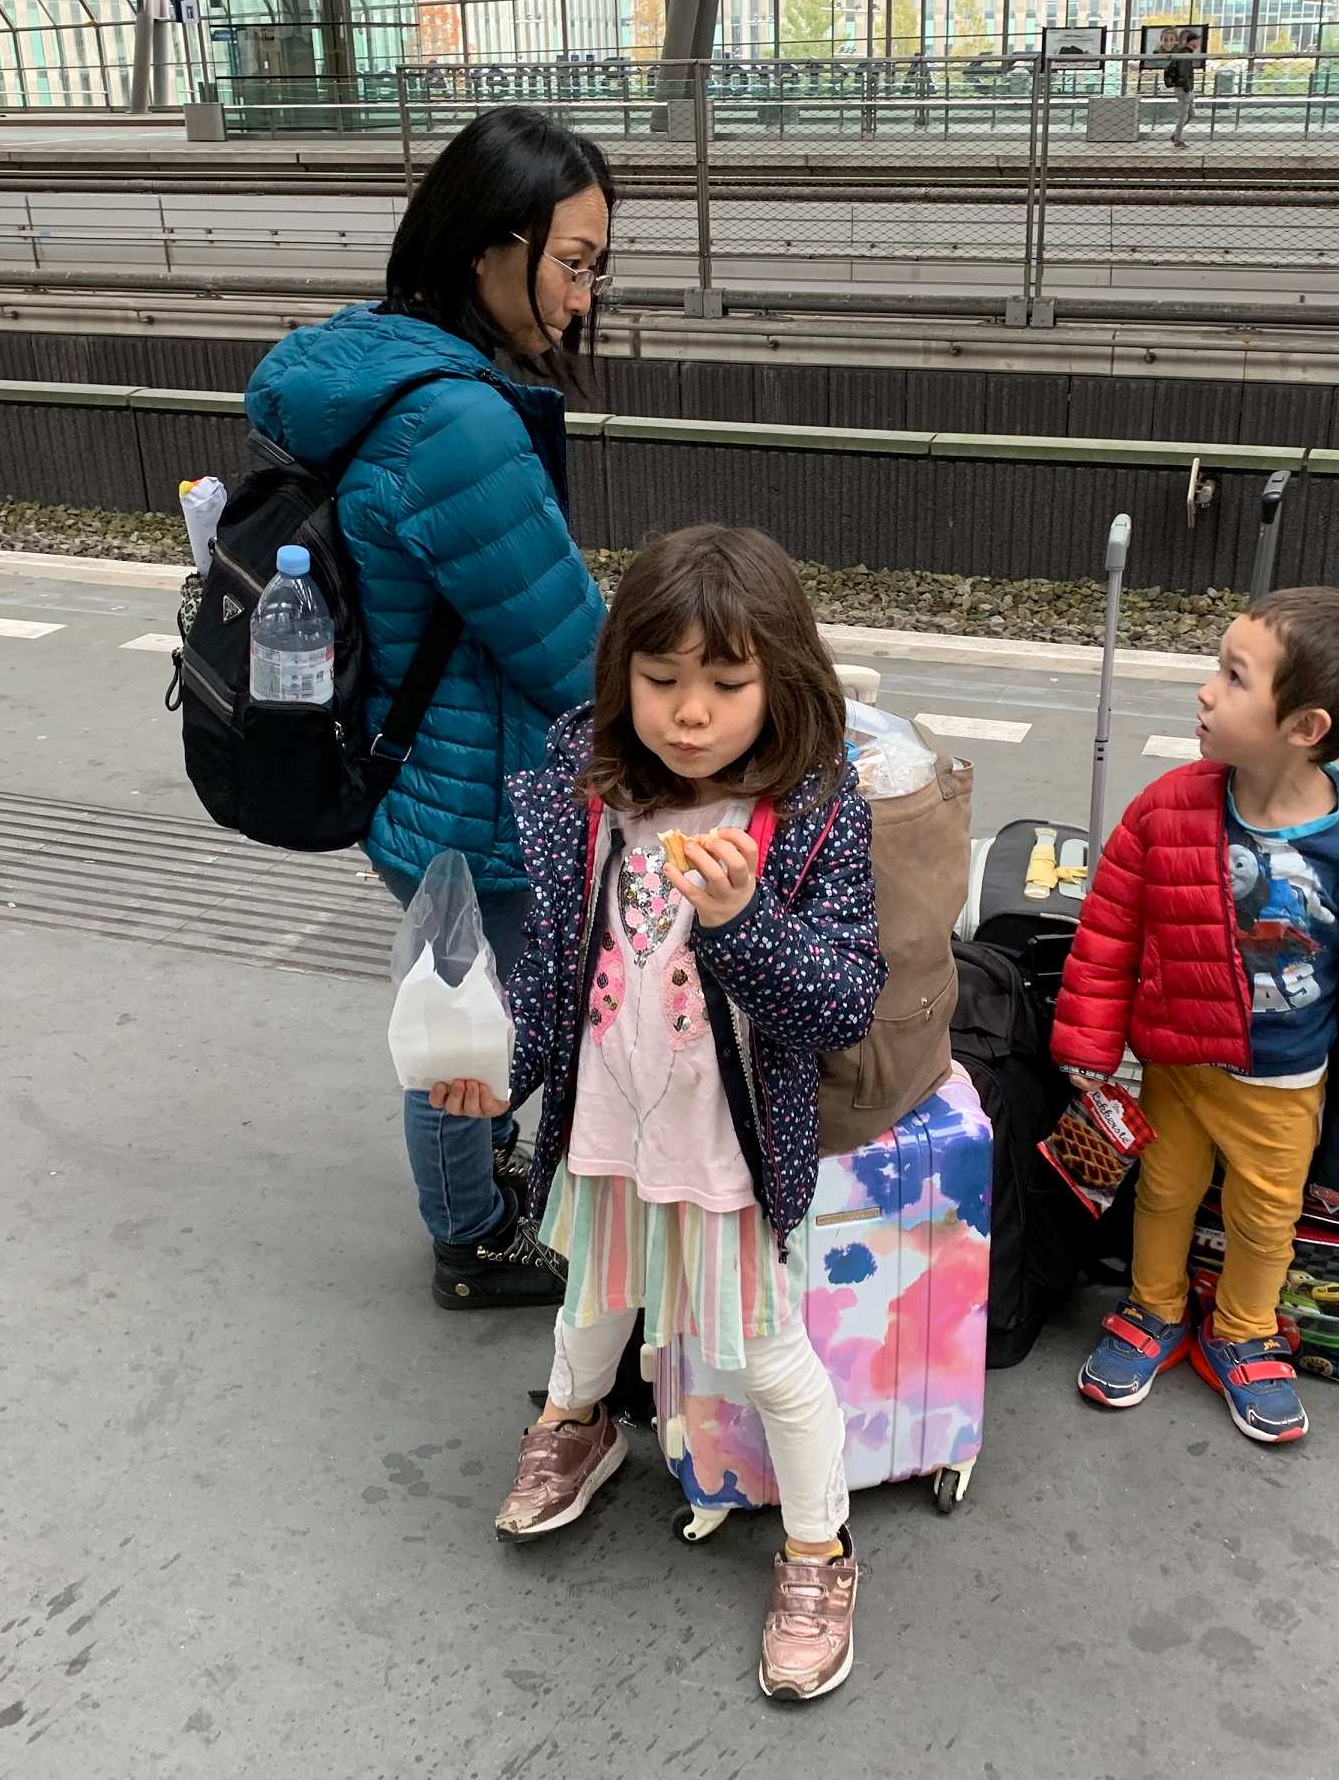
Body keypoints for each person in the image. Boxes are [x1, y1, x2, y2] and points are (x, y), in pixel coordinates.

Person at [428, 525, 885, 1702]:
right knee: (591, 1298)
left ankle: (817, 1550)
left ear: (779, 684)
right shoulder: (591, 795)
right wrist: (501, 1074)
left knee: (767, 1356)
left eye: (726, 686)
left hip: (727, 1154)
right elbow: (550, 985)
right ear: (618, 673)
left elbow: (840, 1005)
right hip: (607, 1134)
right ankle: (578, 1424)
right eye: (661, 679)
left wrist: (742, 926)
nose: (689, 714)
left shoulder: (814, 815)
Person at [243, 108, 614, 1311]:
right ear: (486, 249)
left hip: (417, 773)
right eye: (571, 262)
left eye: (597, 265)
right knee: (463, 1031)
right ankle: (472, 1238)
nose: (584, 296)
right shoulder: (457, 424)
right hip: (475, 795)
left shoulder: (383, 361)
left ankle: (475, 1186)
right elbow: (567, 650)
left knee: (454, 996)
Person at [1051, 587, 1339, 1445]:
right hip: (1176, 1063)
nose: (1205, 691)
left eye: (1233, 676)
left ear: (1305, 727)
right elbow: (1110, 930)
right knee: (1165, 1192)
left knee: (1264, 1218)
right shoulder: (1168, 807)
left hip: (1283, 1085)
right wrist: (1092, 1050)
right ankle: (1154, 1308)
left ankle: (1244, 1332)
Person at [1161, 25, 1201, 146]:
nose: (1198, 43)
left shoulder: (1187, 53)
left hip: (1186, 88)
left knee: (1190, 114)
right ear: (1192, 42)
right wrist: (1187, 87)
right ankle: (1177, 139)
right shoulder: (1185, 54)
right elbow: (1182, 72)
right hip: (1184, 89)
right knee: (1184, 115)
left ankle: (1175, 135)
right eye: (1197, 41)